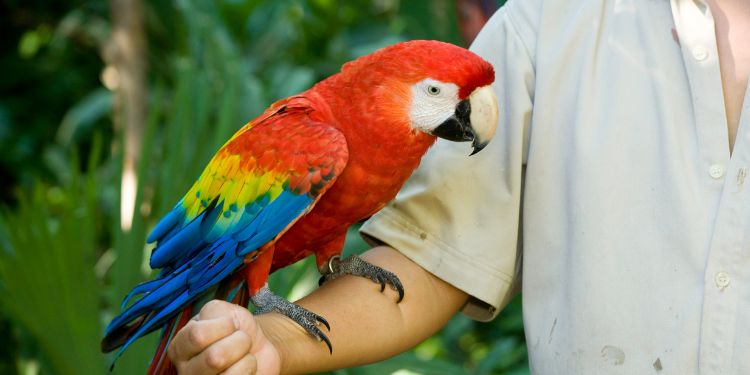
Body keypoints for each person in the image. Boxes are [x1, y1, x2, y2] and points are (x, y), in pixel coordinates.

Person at [166, 0, 750, 373]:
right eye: (440, 94)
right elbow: (433, 263)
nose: (466, 109)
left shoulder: (401, 147)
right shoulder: (549, 23)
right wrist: (268, 337)